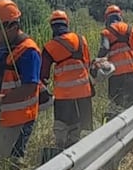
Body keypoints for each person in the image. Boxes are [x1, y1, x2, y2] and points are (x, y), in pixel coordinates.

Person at [0, 0, 42, 167]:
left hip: (17, 119)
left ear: (12, 26)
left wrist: (2, 99)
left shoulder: (29, 51)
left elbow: (30, 87)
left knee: (6, 166)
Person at [40, 10, 94, 151]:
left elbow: (43, 75)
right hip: (84, 91)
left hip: (64, 95)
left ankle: (62, 160)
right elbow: (87, 64)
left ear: (52, 26)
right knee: (85, 129)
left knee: (62, 130)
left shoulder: (49, 47)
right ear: (67, 24)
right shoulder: (81, 40)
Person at [95, 5, 133, 116]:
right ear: (120, 16)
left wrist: (97, 61)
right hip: (132, 72)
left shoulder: (106, 32)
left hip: (116, 75)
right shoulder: (130, 29)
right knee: (132, 102)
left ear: (107, 18)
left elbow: (105, 48)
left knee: (116, 105)